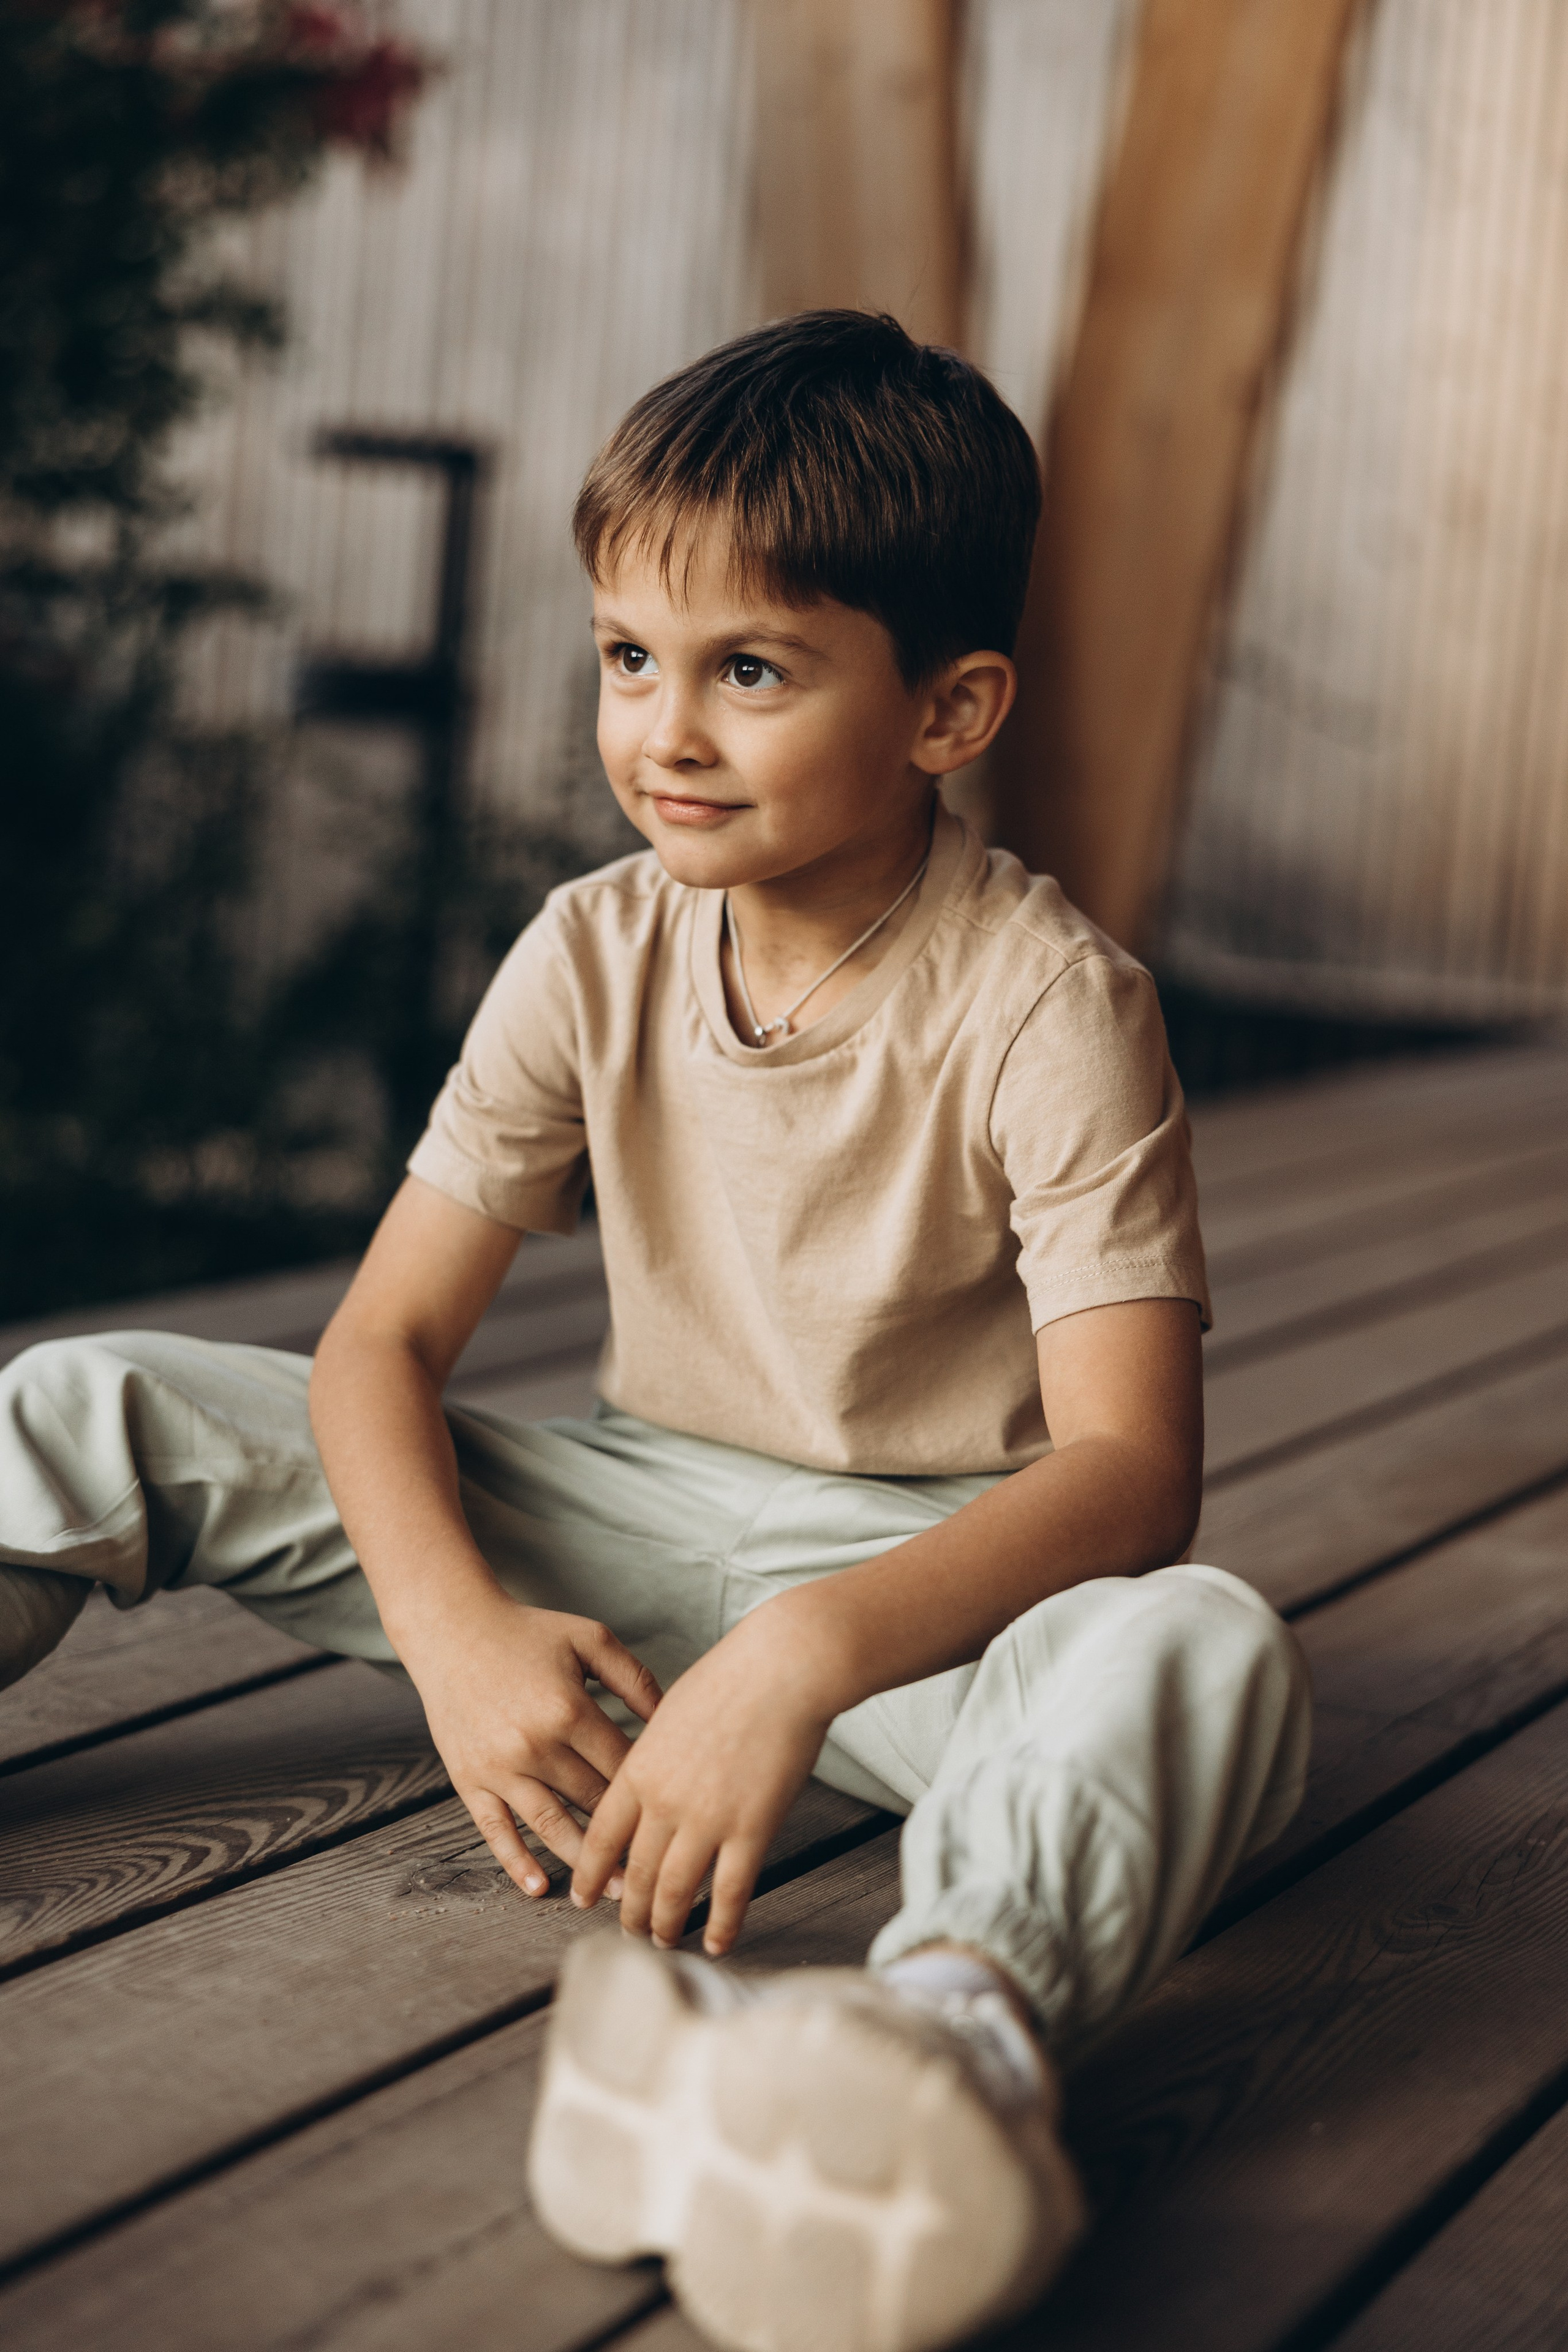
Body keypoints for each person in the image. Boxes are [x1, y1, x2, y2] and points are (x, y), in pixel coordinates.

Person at [0, 312, 1310, 2352]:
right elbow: (375, 1353)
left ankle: (935, 2050)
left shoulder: (1052, 1002)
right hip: (608, 1532)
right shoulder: (593, 944)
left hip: (909, 1604)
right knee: (91, 1399)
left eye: (751, 671)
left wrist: (797, 1655)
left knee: (1199, 1645)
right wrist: (456, 1634)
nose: (663, 734)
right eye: (629, 656)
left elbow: (1133, 1474)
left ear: (950, 710)